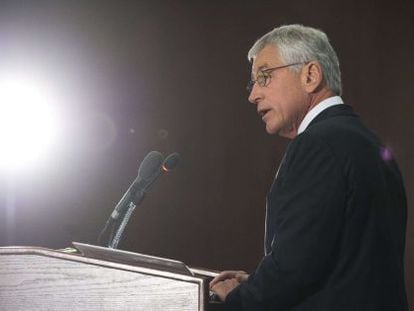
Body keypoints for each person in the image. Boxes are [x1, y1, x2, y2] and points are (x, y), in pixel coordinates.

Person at [210, 24, 408, 310]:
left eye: (264, 77)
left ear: (310, 75)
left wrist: (241, 298)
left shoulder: (318, 144)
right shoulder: (368, 143)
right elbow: (341, 265)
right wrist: (259, 282)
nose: (253, 95)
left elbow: (295, 268)